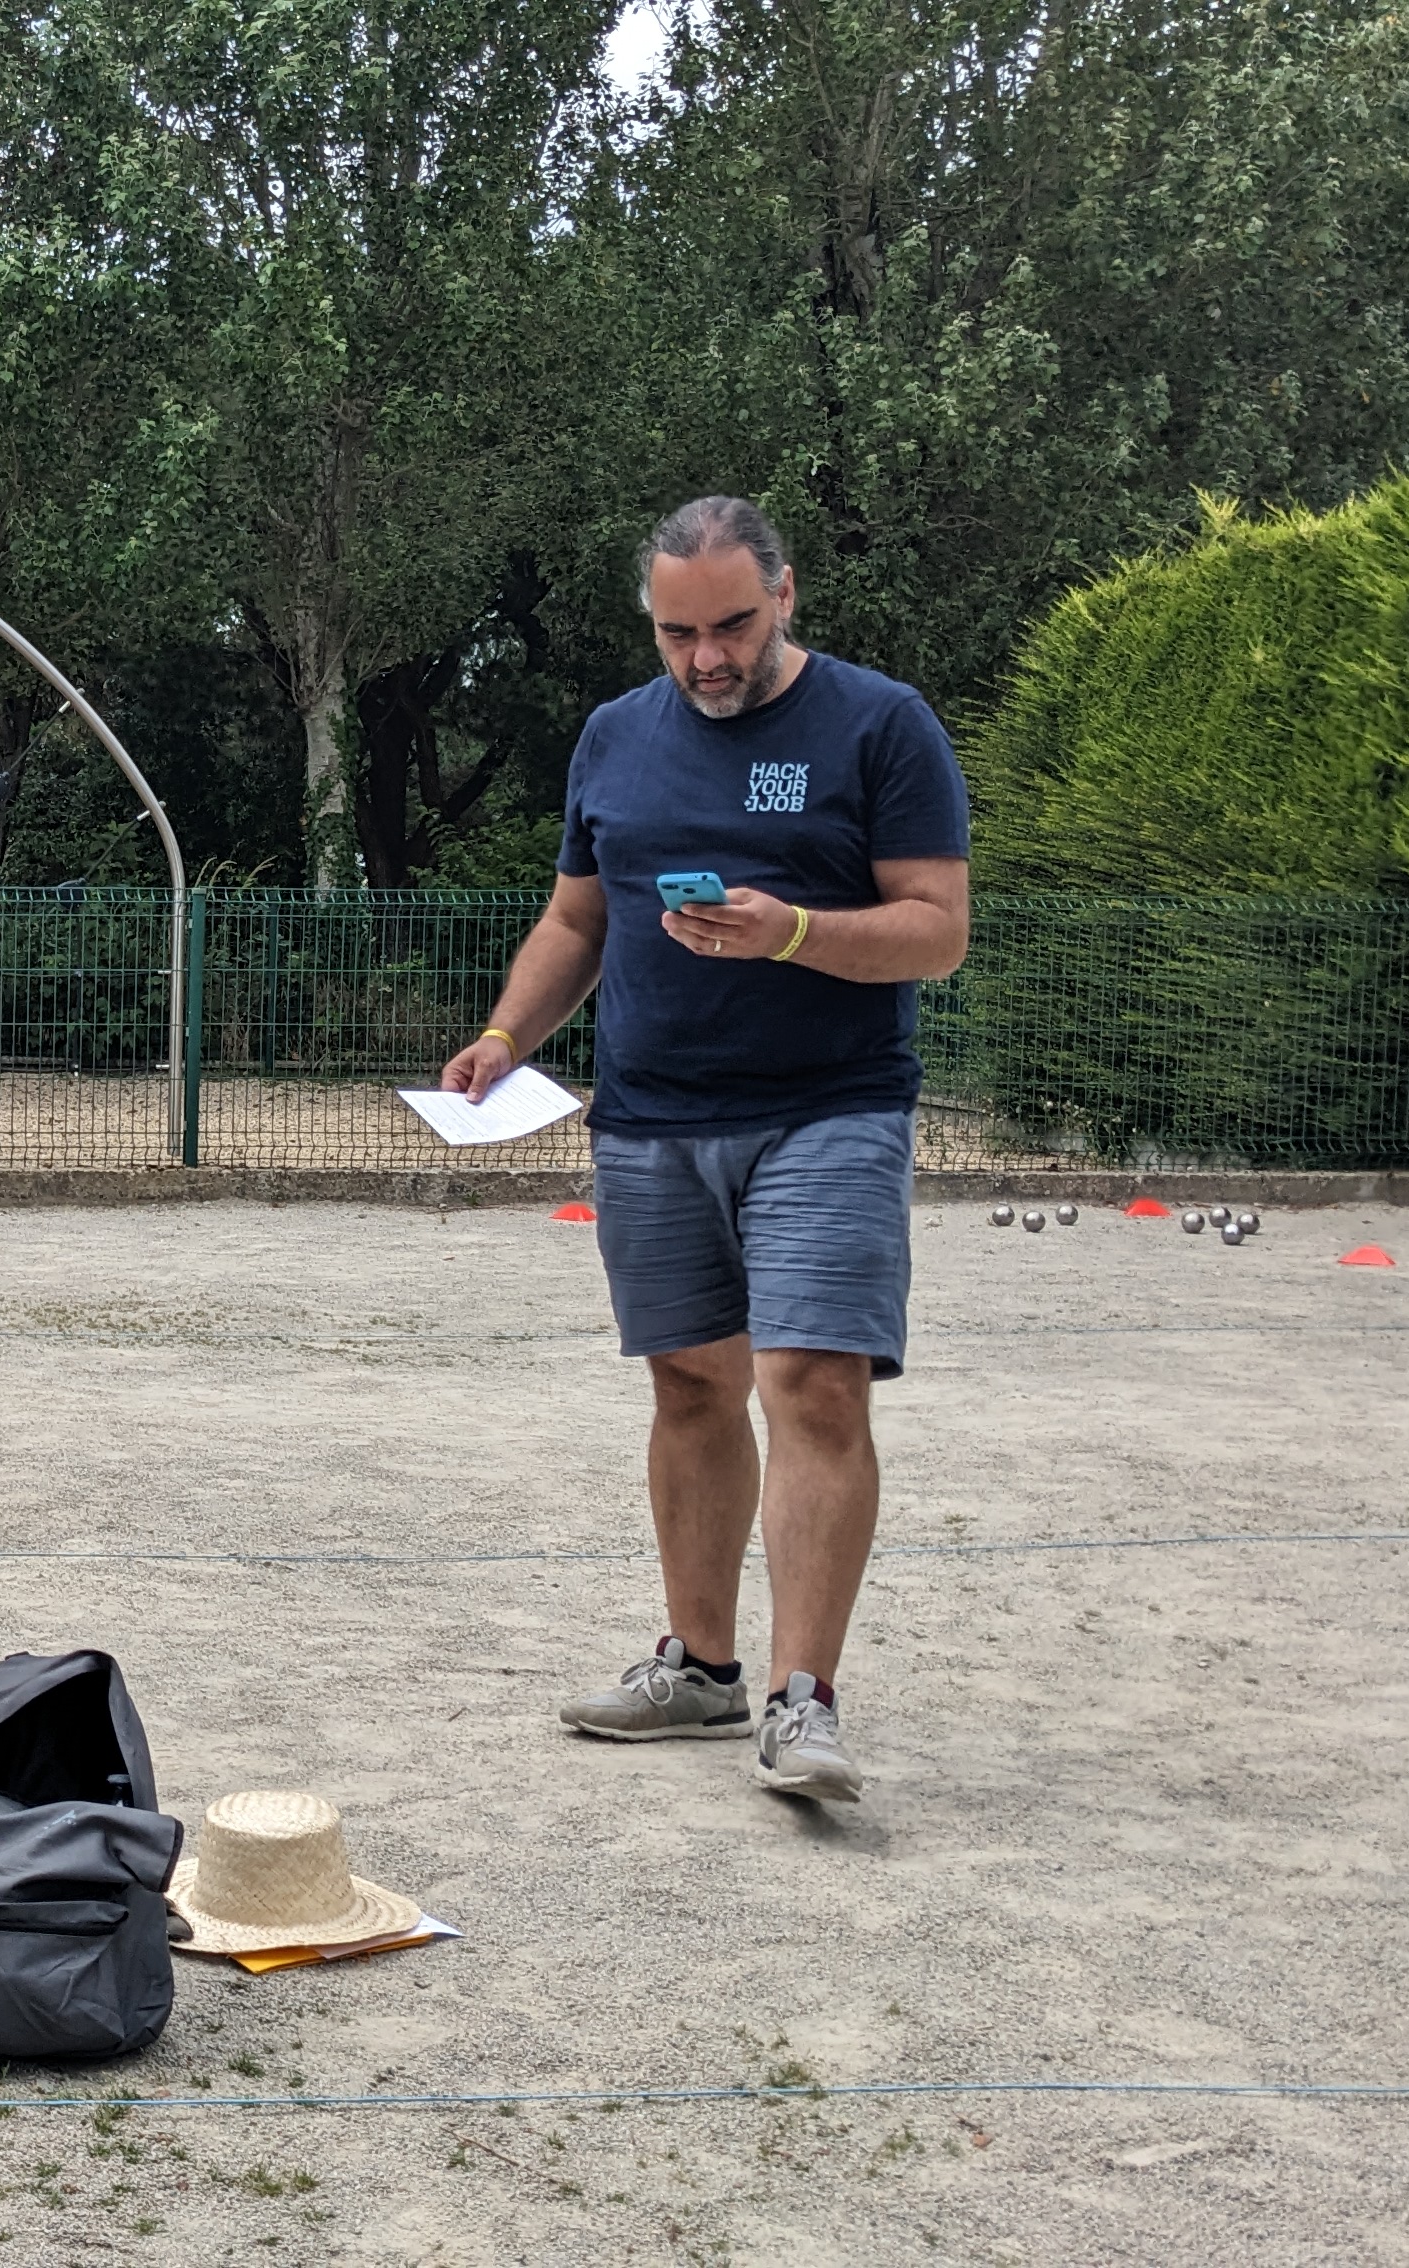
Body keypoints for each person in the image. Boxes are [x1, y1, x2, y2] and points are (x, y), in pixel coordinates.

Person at [438, 496, 969, 1805]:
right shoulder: (615, 738)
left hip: (829, 1108)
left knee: (812, 1384)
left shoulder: (881, 725)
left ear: (785, 596)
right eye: (679, 632)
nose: (708, 657)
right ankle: (703, 1670)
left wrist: (791, 932)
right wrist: (510, 1032)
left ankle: (805, 1703)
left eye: (732, 624)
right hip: (652, 1116)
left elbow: (937, 930)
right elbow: (577, 917)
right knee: (688, 1386)